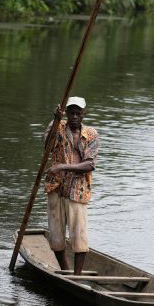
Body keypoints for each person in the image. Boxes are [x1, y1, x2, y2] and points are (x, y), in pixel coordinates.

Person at [44, 96, 98, 275]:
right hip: (56, 187)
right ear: (66, 113)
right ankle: (65, 271)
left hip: (78, 189)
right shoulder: (57, 126)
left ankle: (77, 276)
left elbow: (89, 164)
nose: (74, 116)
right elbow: (47, 147)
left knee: (79, 235)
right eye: (71, 113)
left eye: (78, 113)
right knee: (56, 235)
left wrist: (62, 166)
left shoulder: (91, 134)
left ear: (84, 114)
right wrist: (56, 120)